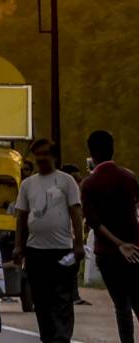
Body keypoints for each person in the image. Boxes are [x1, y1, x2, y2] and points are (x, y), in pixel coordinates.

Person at [15, 138, 84, 343]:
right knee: (41, 301)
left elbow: (76, 214)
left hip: (62, 250)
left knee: (62, 300)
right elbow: (21, 217)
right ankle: (48, 337)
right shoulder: (28, 184)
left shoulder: (66, 181)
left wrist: (78, 245)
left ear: (54, 156)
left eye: (45, 153)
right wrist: (19, 246)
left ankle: (61, 339)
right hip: (36, 251)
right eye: (38, 154)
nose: (41, 158)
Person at [80, 130, 139, 343]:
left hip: (108, 252)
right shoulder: (129, 177)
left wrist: (118, 244)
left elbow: (94, 222)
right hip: (136, 249)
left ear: (91, 154)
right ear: (113, 149)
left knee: (121, 305)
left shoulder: (89, 184)